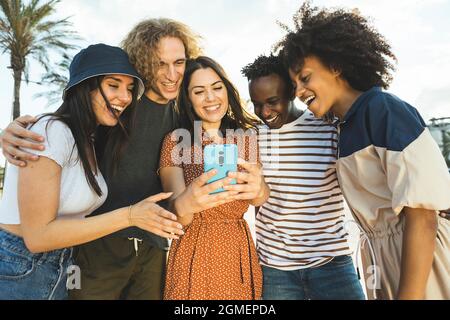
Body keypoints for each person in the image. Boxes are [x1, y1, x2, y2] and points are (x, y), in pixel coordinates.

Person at [0, 18, 201, 300]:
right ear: (143, 62)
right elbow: (63, 125)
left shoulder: (182, 111)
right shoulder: (114, 110)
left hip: (152, 246)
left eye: (178, 62)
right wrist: (10, 133)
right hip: (96, 246)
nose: (171, 74)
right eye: (159, 63)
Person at [276, 2, 450, 300]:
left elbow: (422, 216)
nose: (299, 92)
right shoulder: (343, 126)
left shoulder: (384, 111)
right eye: (294, 85)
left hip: (420, 260)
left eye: (305, 78)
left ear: (336, 66)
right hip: (380, 261)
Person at [241, 54, 365, 300]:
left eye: (272, 101)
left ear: (291, 91)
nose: (264, 112)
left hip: (331, 262)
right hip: (276, 268)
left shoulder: (328, 127)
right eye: (256, 104)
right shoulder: (252, 137)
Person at [159, 56, 270, 299]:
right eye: (199, 91)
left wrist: (259, 188)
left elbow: (260, 198)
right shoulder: (175, 141)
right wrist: (188, 201)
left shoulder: (246, 138)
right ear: (187, 98)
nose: (211, 98)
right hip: (194, 248)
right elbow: (177, 215)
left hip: (237, 246)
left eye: (217, 88)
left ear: (227, 90)